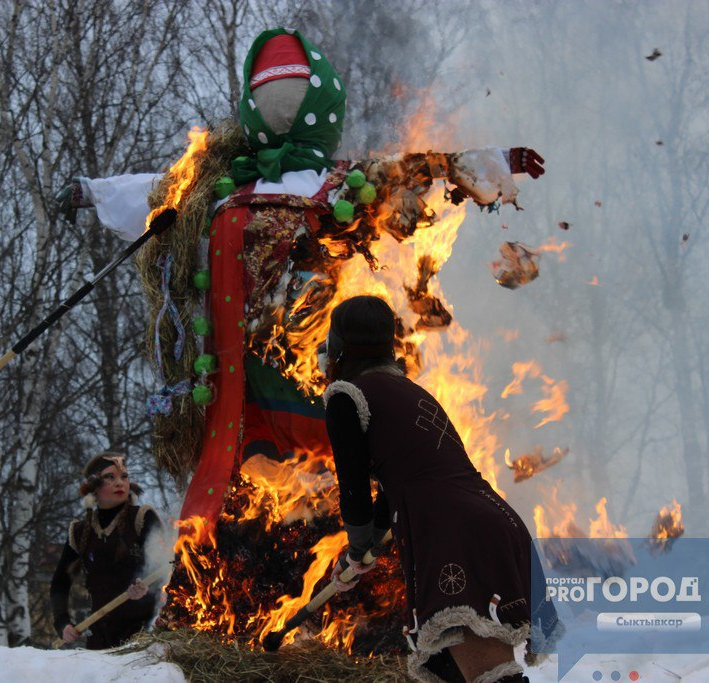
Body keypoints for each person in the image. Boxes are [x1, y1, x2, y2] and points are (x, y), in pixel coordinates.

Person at [56, 27, 546, 529]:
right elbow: (158, 192)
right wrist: (91, 192)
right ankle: (276, 518)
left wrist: (497, 162)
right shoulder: (217, 187)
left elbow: (417, 170)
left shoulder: (343, 183)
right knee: (254, 459)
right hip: (240, 361)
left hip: (317, 350)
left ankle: (341, 509)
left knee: (331, 437)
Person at [323, 296, 559, 683]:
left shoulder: (347, 396)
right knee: (452, 671)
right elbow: (397, 485)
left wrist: (357, 546)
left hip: (454, 533)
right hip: (494, 519)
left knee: (491, 677)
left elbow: (354, 490)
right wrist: (367, 548)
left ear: (340, 345)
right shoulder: (410, 390)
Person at [50, 452, 162, 649]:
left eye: (124, 476)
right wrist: (62, 623)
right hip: (101, 642)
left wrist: (147, 588)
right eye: (110, 477)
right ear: (94, 487)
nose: (120, 483)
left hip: (147, 639)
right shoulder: (78, 531)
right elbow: (60, 583)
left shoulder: (143, 518)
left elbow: (170, 566)